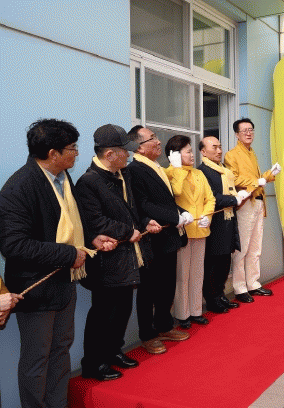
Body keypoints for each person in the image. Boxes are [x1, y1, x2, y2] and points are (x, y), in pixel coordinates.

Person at [0, 119, 100, 407]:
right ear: (53, 154)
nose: (77, 153)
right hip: (36, 289)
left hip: (64, 283)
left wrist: (92, 239)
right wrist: (69, 255)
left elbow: (71, 224)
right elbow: (13, 245)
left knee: (60, 351)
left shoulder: (62, 178)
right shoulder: (19, 187)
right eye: (72, 148)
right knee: (37, 359)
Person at [75, 124, 157, 381]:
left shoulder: (123, 175)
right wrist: (126, 231)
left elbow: (134, 209)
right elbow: (94, 221)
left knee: (122, 309)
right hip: (107, 261)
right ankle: (93, 363)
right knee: (103, 313)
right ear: (109, 154)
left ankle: (113, 351)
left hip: (128, 257)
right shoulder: (88, 182)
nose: (129, 155)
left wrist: (144, 222)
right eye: (125, 150)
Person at [127, 125, 190, 355]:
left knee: (167, 285)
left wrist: (182, 212)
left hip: (168, 237)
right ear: (139, 147)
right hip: (152, 240)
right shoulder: (135, 170)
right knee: (148, 290)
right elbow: (144, 204)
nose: (158, 141)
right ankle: (148, 334)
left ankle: (164, 325)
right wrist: (175, 217)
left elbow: (166, 201)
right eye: (152, 138)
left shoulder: (156, 167)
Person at [224, 118, 281, 303]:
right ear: (237, 135)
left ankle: (253, 283)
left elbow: (257, 180)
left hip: (258, 201)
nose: (249, 133)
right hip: (245, 203)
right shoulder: (231, 155)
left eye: (251, 130)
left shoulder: (251, 152)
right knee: (242, 248)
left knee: (255, 247)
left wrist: (270, 174)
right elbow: (235, 179)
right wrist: (258, 181)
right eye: (245, 130)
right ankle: (240, 288)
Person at [164, 135, 215, 329]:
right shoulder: (168, 173)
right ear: (176, 155)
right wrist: (177, 169)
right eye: (187, 151)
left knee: (197, 273)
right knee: (182, 275)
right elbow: (175, 193)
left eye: (191, 151)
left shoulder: (199, 174)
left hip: (200, 230)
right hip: (182, 233)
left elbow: (210, 198)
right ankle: (182, 314)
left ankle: (196, 311)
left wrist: (207, 215)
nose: (192, 155)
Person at [198, 136, 249, 313]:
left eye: (220, 147)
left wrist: (238, 197)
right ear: (203, 151)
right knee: (213, 264)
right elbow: (212, 197)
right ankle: (212, 300)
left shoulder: (224, 170)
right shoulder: (202, 172)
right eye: (214, 147)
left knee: (224, 262)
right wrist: (234, 199)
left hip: (228, 220)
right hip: (214, 223)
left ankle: (220, 295)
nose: (219, 151)